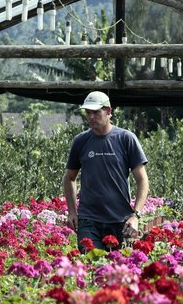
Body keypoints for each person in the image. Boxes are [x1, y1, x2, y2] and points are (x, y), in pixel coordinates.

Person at [62, 90, 149, 251]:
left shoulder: (126, 139)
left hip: (120, 220)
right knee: (90, 269)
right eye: (88, 113)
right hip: (88, 220)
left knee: (119, 272)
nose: (91, 117)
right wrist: (72, 212)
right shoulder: (81, 141)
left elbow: (142, 180)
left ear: (108, 111)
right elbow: (69, 178)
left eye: (95, 112)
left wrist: (135, 215)